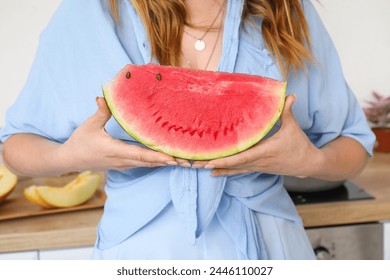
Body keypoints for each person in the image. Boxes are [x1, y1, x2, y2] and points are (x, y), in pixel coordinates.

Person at [0, 0, 375, 260]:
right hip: (141, 252)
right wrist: (71, 156)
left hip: (269, 244)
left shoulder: (286, 10)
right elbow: (15, 145)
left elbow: (354, 146)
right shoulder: (93, 11)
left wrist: (308, 161)